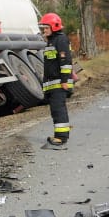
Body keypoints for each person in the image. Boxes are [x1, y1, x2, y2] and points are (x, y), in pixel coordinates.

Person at [39, 13, 72, 147]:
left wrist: (64, 80)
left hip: (59, 83)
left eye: (46, 28)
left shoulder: (61, 40)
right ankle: (60, 134)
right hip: (53, 84)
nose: (44, 30)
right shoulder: (52, 41)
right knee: (56, 110)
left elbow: (65, 62)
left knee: (59, 110)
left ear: (54, 26)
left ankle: (61, 137)